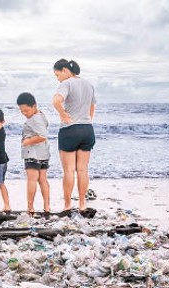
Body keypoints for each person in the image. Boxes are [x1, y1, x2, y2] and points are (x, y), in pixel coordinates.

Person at [52, 58, 96, 214]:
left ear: (65, 70)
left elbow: (56, 101)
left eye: (57, 75)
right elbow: (92, 107)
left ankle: (68, 205)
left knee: (69, 170)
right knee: (83, 170)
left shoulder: (66, 83)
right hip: (87, 129)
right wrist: (86, 120)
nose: (57, 78)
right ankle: (83, 204)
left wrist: (63, 114)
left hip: (70, 130)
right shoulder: (89, 85)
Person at [16, 92, 51, 215]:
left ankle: (30, 207)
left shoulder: (33, 119)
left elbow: (42, 136)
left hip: (32, 153)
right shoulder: (41, 115)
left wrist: (27, 141)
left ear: (34, 106)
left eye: (26, 110)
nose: (25, 114)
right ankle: (47, 207)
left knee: (32, 180)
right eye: (22, 112)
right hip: (44, 153)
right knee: (43, 180)